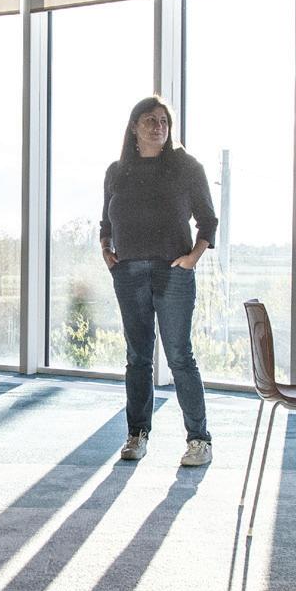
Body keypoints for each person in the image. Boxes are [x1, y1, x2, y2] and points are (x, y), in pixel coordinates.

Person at [100, 95, 218, 468]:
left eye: (164, 120)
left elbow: (208, 221)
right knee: (137, 357)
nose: (158, 126)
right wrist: (106, 249)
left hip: (173, 272)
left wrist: (192, 258)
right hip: (129, 272)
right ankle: (137, 434)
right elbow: (106, 220)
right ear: (134, 127)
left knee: (179, 355)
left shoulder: (187, 167)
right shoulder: (116, 172)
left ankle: (199, 440)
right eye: (150, 119)